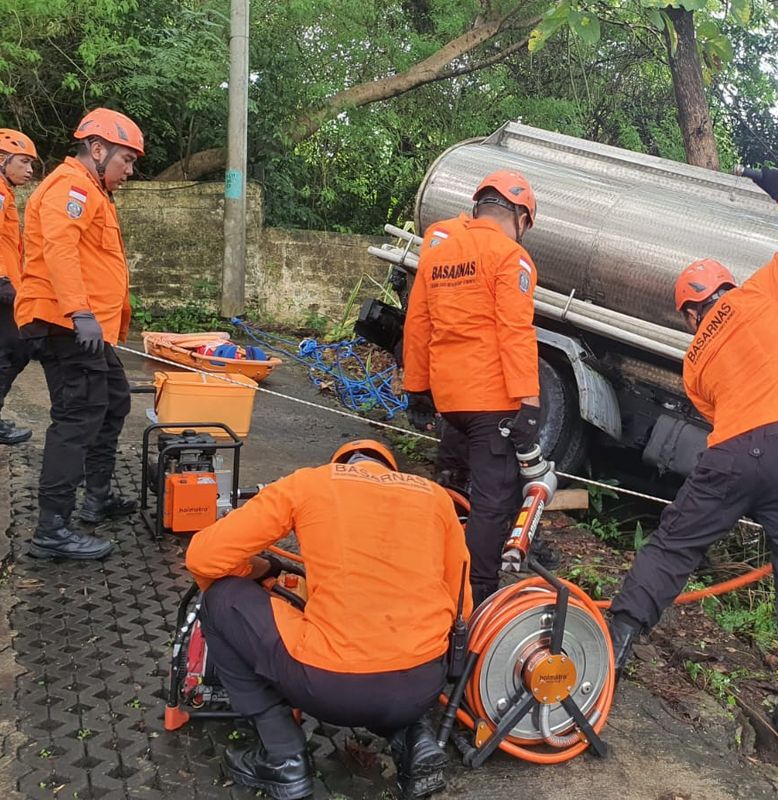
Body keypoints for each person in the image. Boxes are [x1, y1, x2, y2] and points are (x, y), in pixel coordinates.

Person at [606, 169, 778, 747]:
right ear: (727, 289)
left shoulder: (693, 362)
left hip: (733, 453)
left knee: (674, 545)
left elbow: (716, 413)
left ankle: (618, 637)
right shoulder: (758, 295)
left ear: (690, 313)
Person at [186, 439, 470, 800]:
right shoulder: (434, 497)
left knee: (221, 598)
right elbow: (461, 602)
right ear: (390, 469)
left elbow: (203, 557)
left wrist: (255, 569)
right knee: (399, 649)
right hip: (423, 686)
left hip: (329, 688)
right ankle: (412, 735)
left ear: (340, 464)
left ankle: (283, 758)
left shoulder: (310, 483)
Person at [402, 170, 541, 609]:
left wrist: (416, 387)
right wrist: (530, 404)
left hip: (450, 400)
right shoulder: (510, 257)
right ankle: (476, 595)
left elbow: (419, 321)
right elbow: (515, 332)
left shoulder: (439, 249)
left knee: (450, 484)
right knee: (492, 503)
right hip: (490, 401)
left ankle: (428, 569)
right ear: (519, 215)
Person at [15, 108, 144, 560]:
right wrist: (79, 311)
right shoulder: (69, 188)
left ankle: (97, 497)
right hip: (65, 324)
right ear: (97, 149)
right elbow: (60, 248)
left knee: (113, 401)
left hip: (87, 328)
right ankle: (52, 530)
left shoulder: (93, 192)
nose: (129, 170)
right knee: (76, 418)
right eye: (126, 160)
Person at [0, 128, 37, 445]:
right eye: (23, 162)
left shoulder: (5, 193)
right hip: (2, 288)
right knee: (15, 350)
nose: (29, 170)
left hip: (10, 286)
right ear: (2, 159)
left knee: (14, 351)